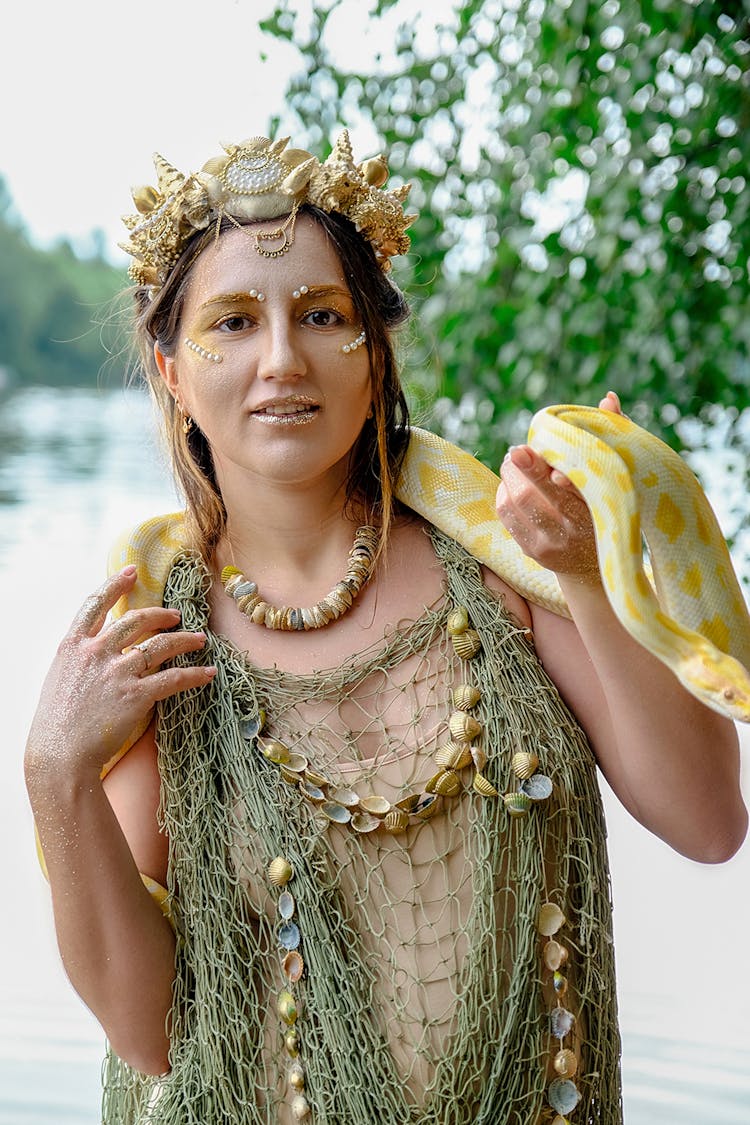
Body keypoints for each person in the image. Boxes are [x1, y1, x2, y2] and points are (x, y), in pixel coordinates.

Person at [25, 130, 746, 1125]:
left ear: (375, 351)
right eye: (232, 321)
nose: (282, 358)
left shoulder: (510, 573)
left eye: (322, 315)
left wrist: (586, 569)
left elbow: (708, 822)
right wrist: (54, 773)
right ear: (172, 369)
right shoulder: (155, 641)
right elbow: (149, 1033)